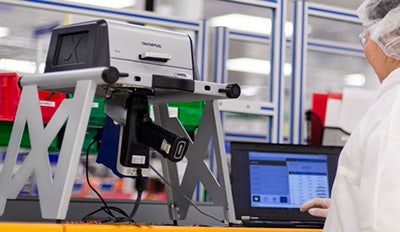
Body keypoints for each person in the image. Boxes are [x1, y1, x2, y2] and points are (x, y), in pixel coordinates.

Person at [300, 0, 400, 231]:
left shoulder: (392, 111)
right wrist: (348, 208)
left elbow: (382, 219)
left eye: (366, 34)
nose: (365, 45)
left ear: (388, 35)